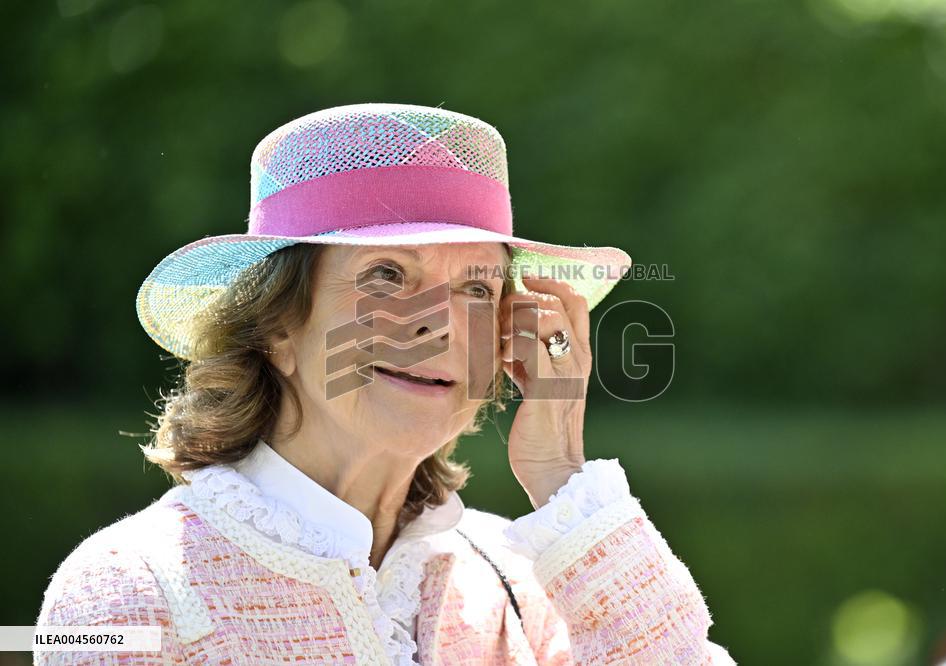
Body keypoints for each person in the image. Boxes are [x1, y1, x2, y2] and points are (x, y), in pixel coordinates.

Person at [34, 103, 736, 664]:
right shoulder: (127, 592)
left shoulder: (519, 585)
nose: (440, 325)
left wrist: (560, 475)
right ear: (279, 328)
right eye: (387, 276)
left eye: (476, 289)